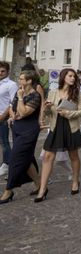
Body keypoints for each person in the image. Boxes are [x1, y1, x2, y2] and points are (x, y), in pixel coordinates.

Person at [37, 68, 81, 201]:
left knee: (74, 156)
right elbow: (48, 113)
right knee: (48, 156)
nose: (73, 78)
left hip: (71, 127)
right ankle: (42, 189)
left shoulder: (78, 94)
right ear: (63, 77)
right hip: (55, 127)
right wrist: (47, 109)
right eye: (70, 76)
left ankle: (75, 181)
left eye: (74, 77)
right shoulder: (53, 93)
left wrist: (68, 113)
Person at [0, 69, 41, 204]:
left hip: (29, 131)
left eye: (22, 79)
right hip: (17, 128)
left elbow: (23, 112)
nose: (19, 81)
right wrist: (13, 115)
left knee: (14, 158)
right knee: (27, 159)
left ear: (29, 81)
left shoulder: (35, 95)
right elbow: (12, 107)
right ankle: (40, 185)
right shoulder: (20, 92)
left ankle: (9, 190)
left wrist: (21, 99)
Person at [0, 61, 18, 178]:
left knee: (5, 142)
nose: (0, 73)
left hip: (4, 117)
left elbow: (13, 102)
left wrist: (3, 115)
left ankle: (8, 165)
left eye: (2, 71)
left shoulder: (11, 84)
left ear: (7, 71)